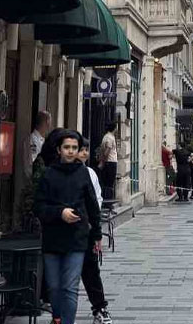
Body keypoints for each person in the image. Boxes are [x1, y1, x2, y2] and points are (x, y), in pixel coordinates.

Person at [35, 129, 102, 324]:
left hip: (77, 238)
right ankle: (57, 318)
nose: (71, 151)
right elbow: (38, 207)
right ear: (59, 149)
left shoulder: (83, 173)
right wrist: (60, 213)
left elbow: (92, 206)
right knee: (54, 287)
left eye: (74, 147)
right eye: (67, 147)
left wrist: (97, 235)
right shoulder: (48, 174)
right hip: (53, 238)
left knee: (70, 288)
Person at [76, 136, 113, 324]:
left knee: (91, 271)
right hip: (67, 233)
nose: (84, 153)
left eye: (86, 150)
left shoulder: (90, 173)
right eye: (80, 150)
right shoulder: (57, 174)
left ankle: (100, 308)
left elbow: (97, 199)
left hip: (87, 231)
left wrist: (93, 225)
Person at [97, 122, 118, 202]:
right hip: (110, 161)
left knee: (107, 182)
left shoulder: (107, 136)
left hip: (109, 161)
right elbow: (107, 151)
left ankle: (107, 200)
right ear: (114, 128)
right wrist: (103, 161)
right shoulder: (109, 137)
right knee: (109, 182)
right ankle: (108, 201)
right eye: (116, 127)